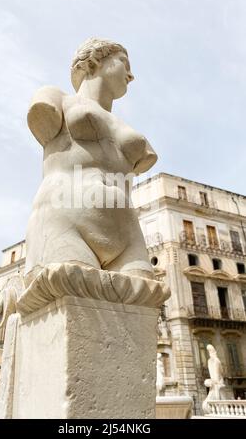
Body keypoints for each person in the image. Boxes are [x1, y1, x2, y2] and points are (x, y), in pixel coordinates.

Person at [24, 38, 158, 287]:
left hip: (125, 230)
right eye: (123, 63)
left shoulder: (127, 128)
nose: (131, 75)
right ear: (95, 60)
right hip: (65, 219)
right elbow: (40, 117)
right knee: (72, 292)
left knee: (143, 301)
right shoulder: (54, 97)